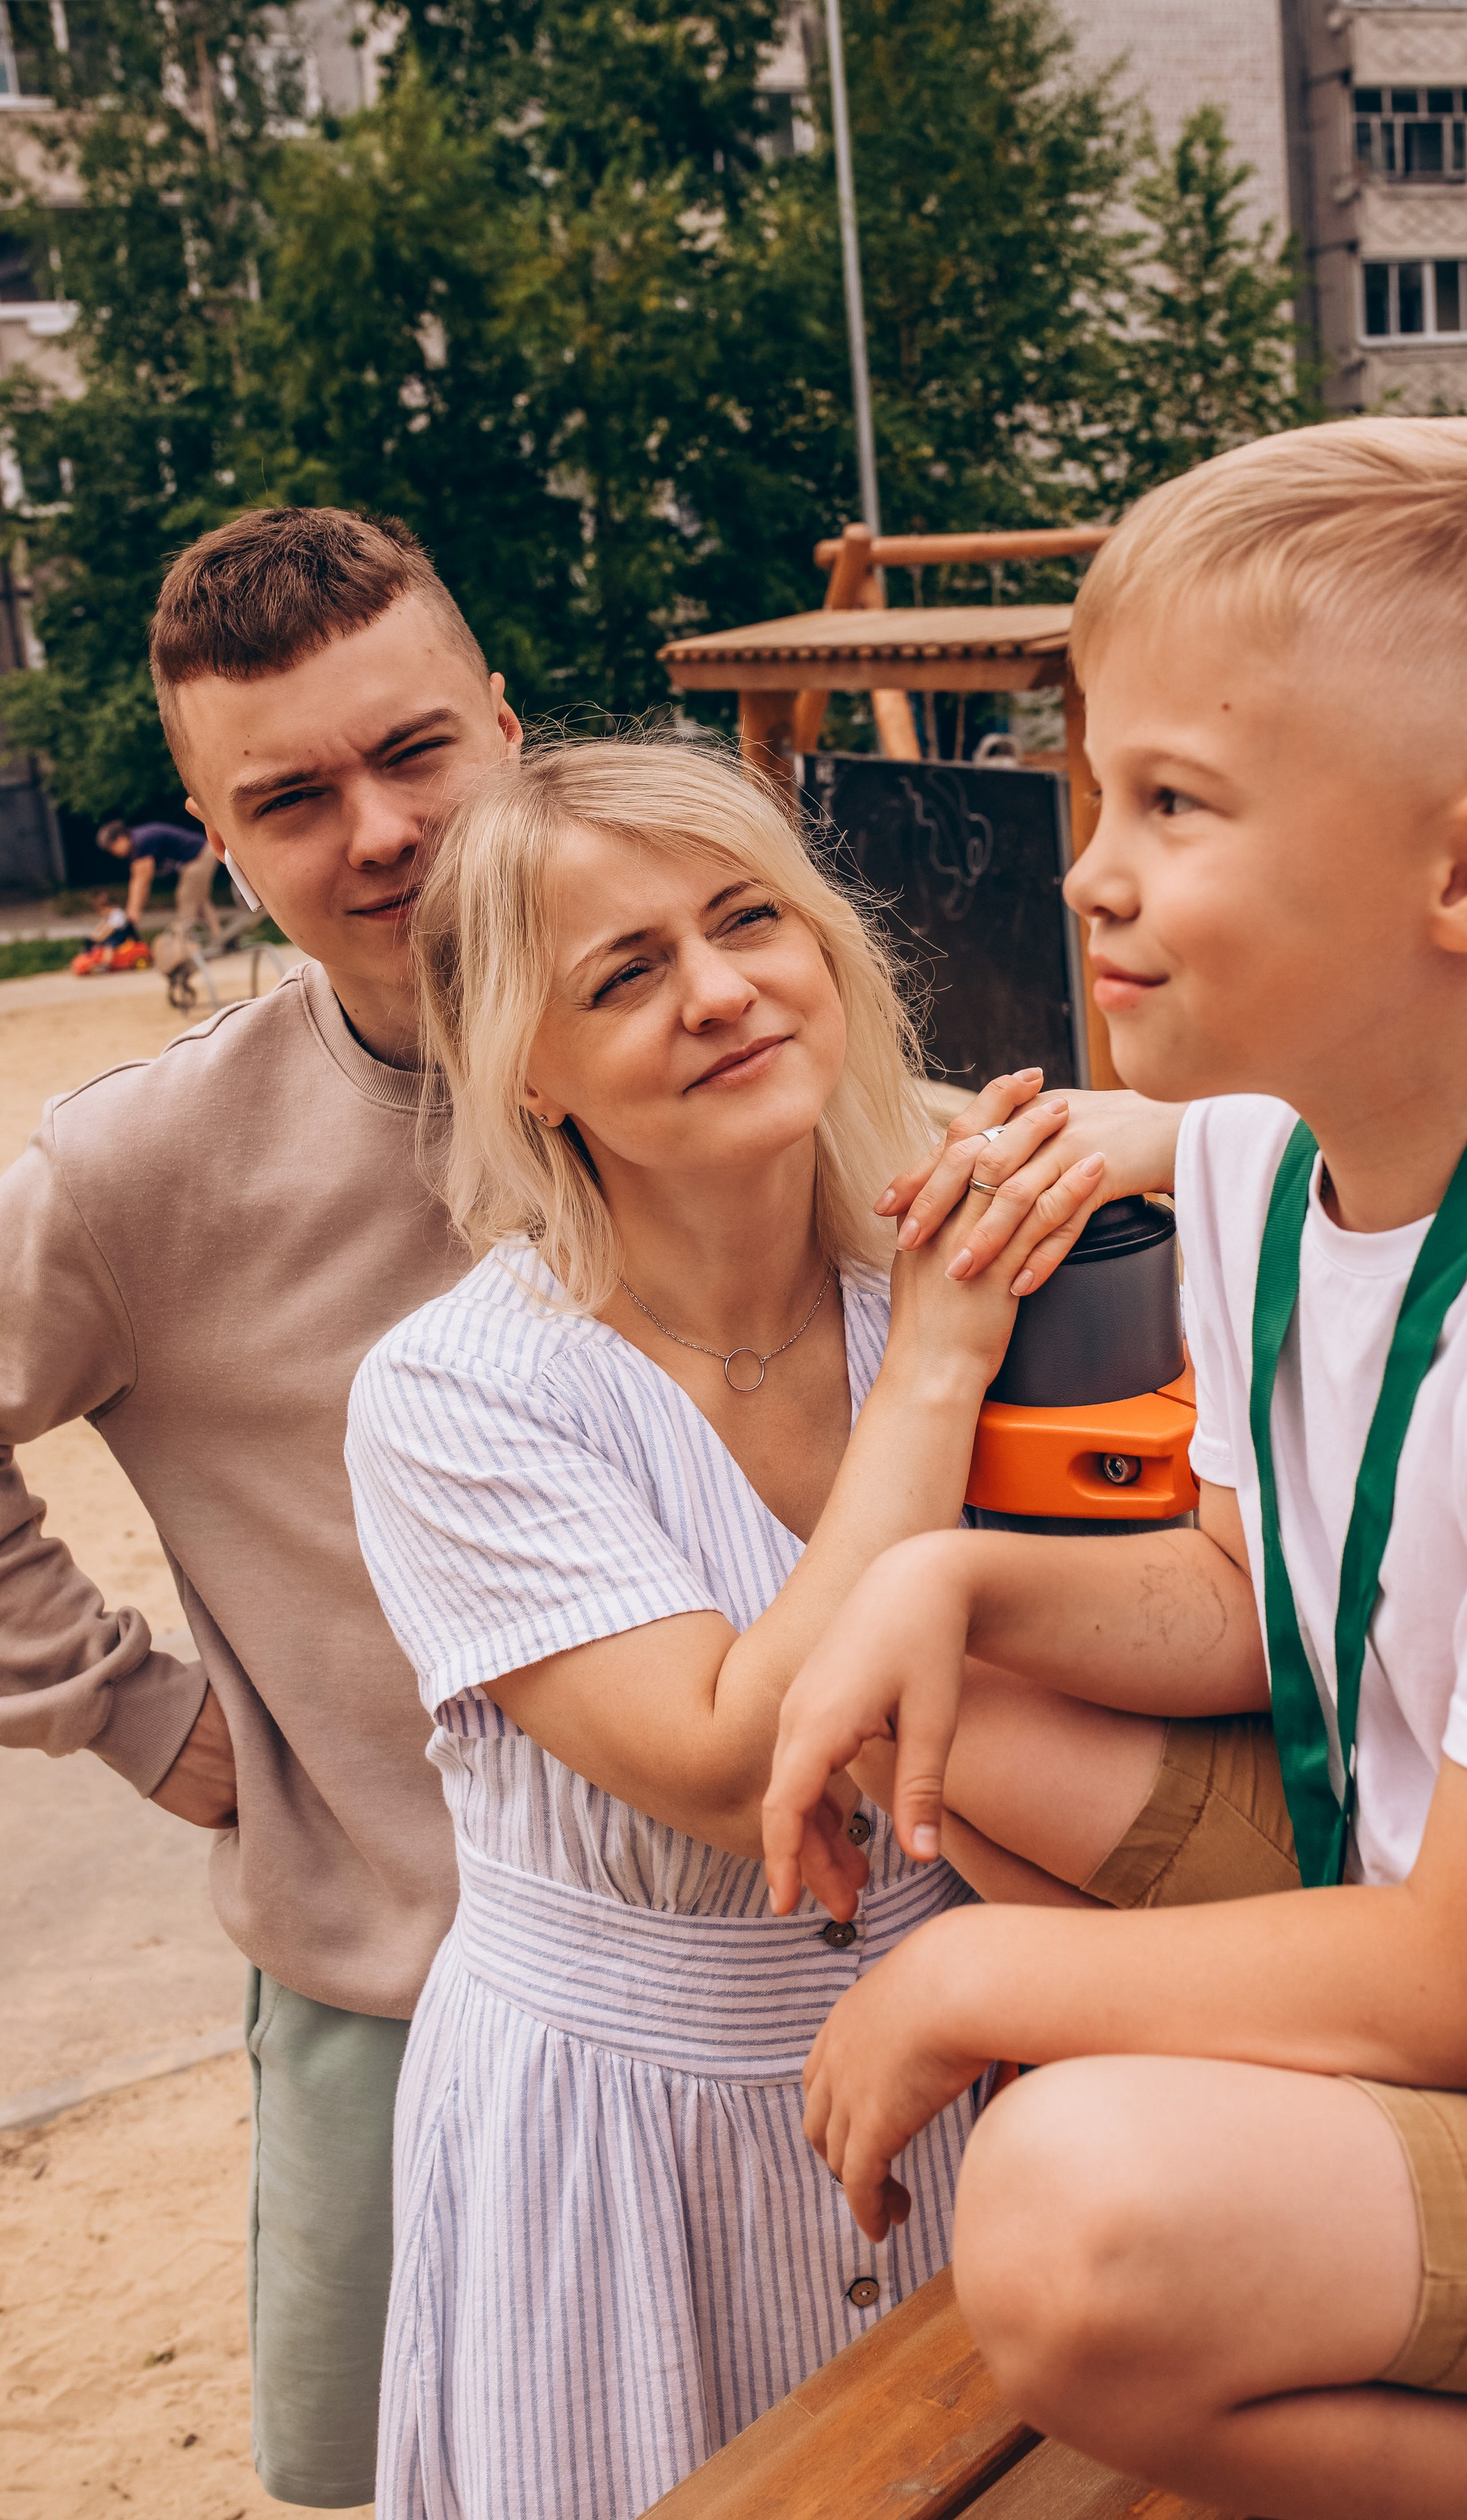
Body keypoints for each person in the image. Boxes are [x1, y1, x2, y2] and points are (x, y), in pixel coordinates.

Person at [0, 503, 1175, 2509]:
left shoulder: (850, 1160)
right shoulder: (153, 1174)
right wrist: (157, 1719)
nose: (376, 831)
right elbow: (733, 1748)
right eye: (291, 799)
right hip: (445, 1957)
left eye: (414, 753)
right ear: (213, 828)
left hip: (909, 1967)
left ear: (505, 724)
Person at [764, 392, 1467, 2520]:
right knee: (949, 1708)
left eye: (1173, 798)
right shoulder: (1275, 1159)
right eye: (1096, 784)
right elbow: (1257, 1601)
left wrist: (987, 1972)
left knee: (1072, 2222)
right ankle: (1332, 2217)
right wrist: (947, 1585)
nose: (1089, 863)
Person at [338, 739, 1116, 2520]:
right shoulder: (457, 1395)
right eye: (622, 973)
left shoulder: (971, 1253)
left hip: (975, 2088)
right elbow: (730, 1762)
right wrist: (930, 1373)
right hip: (619, 2152)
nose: (718, 992)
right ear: (523, 1070)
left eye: (745, 918)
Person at [96, 812, 222, 942]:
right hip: (196, 857)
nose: (114, 853)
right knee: (198, 899)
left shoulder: (142, 841)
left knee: (186, 897)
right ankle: (218, 936)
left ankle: (183, 943)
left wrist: (133, 915)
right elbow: (136, 880)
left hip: (199, 856)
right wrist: (131, 913)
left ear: (121, 838)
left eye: (112, 849)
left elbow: (142, 881)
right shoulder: (136, 844)